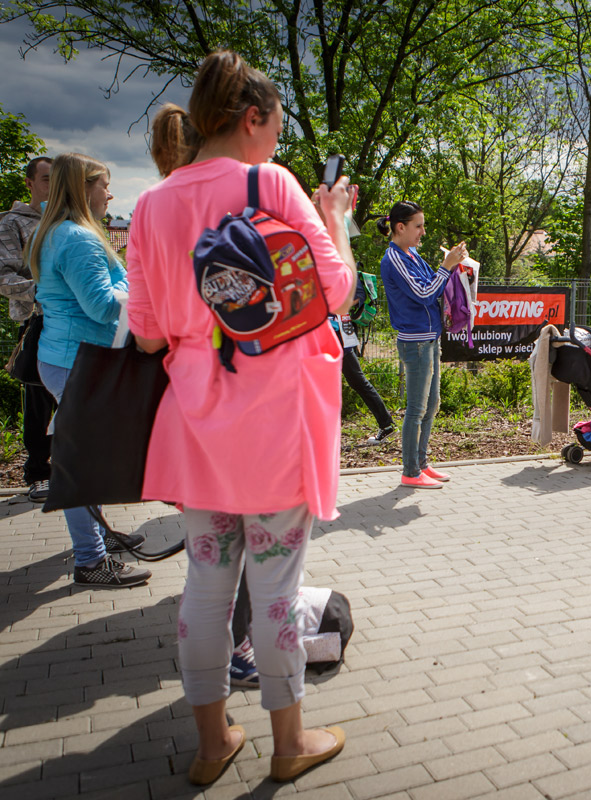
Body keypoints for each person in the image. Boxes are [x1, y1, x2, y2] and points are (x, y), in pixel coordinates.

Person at [128, 50, 355, 785]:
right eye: (277, 124)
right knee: (278, 587)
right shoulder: (270, 184)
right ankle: (289, 743)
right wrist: (333, 221)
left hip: (197, 421)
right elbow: (338, 290)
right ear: (252, 117)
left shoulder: (153, 204)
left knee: (205, 587)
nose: (280, 141)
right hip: (276, 419)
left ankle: (210, 742)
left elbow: (148, 335)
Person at [24, 152, 151, 589]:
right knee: (81, 465)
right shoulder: (77, 238)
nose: (109, 194)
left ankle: (101, 539)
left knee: (88, 457)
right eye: (103, 186)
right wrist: (139, 283)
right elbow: (100, 305)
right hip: (78, 361)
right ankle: (91, 559)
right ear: (83, 189)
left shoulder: (56, 231)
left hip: (68, 357)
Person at [377, 202, 468, 489]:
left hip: (430, 338)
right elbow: (425, 292)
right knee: (416, 410)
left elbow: (432, 282)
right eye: (418, 226)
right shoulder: (393, 259)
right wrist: (446, 266)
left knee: (431, 405)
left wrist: (454, 268)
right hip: (415, 343)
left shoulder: (411, 254)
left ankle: (421, 464)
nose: (423, 232)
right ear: (400, 227)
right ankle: (410, 472)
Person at [0, 156, 57, 503]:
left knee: (70, 399)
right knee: (38, 401)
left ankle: (71, 471)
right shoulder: (12, 223)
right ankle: (38, 472)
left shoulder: (64, 219)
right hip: (36, 319)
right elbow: (3, 275)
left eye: (57, 180)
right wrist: (39, 291)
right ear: (30, 183)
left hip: (72, 319)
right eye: (46, 179)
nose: (52, 186)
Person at [332, 311, 395, 444]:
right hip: (342, 334)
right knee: (359, 383)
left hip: (333, 337)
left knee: (357, 383)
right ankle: (386, 424)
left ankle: (386, 424)